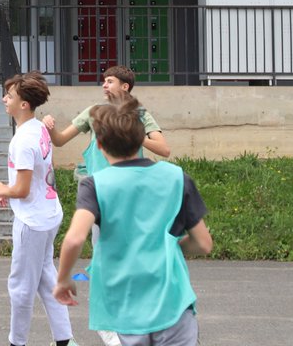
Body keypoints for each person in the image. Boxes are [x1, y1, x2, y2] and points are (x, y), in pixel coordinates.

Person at [53, 97, 212, 346]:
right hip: (173, 303)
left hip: (127, 305)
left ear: (99, 144)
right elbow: (203, 243)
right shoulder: (177, 177)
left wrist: (63, 279)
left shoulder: (94, 185)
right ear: (141, 140)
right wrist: (171, 247)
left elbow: (74, 239)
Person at [0, 72, 75, 346]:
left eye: (10, 96)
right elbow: (36, 177)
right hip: (49, 213)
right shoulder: (38, 128)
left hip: (32, 221)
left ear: (24, 104)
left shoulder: (23, 140)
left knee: (20, 287)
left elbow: (22, 190)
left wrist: (3, 189)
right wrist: (12, 189)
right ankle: (64, 339)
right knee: (46, 277)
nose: (5, 99)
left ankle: (17, 342)